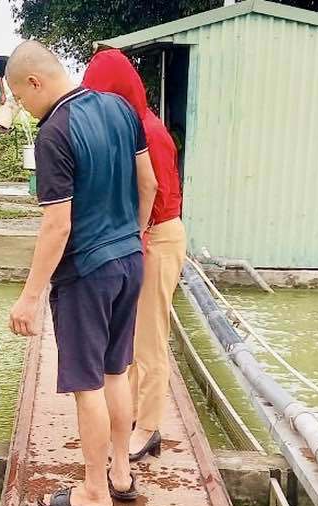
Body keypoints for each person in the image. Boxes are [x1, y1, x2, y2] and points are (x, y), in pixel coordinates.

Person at [4, 41, 158, 506]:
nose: (26, 111)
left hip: (86, 273)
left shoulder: (53, 133)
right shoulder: (119, 108)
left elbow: (58, 225)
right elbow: (148, 184)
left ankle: (92, 493)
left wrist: (29, 298)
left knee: (87, 384)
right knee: (116, 372)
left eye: (21, 99)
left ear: (35, 82)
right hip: (130, 259)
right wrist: (132, 236)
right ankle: (119, 474)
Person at [82, 48, 187, 462]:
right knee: (131, 335)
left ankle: (149, 426)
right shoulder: (131, 126)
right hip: (142, 236)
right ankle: (134, 416)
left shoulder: (150, 132)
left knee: (150, 339)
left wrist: (137, 236)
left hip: (158, 236)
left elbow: (153, 191)